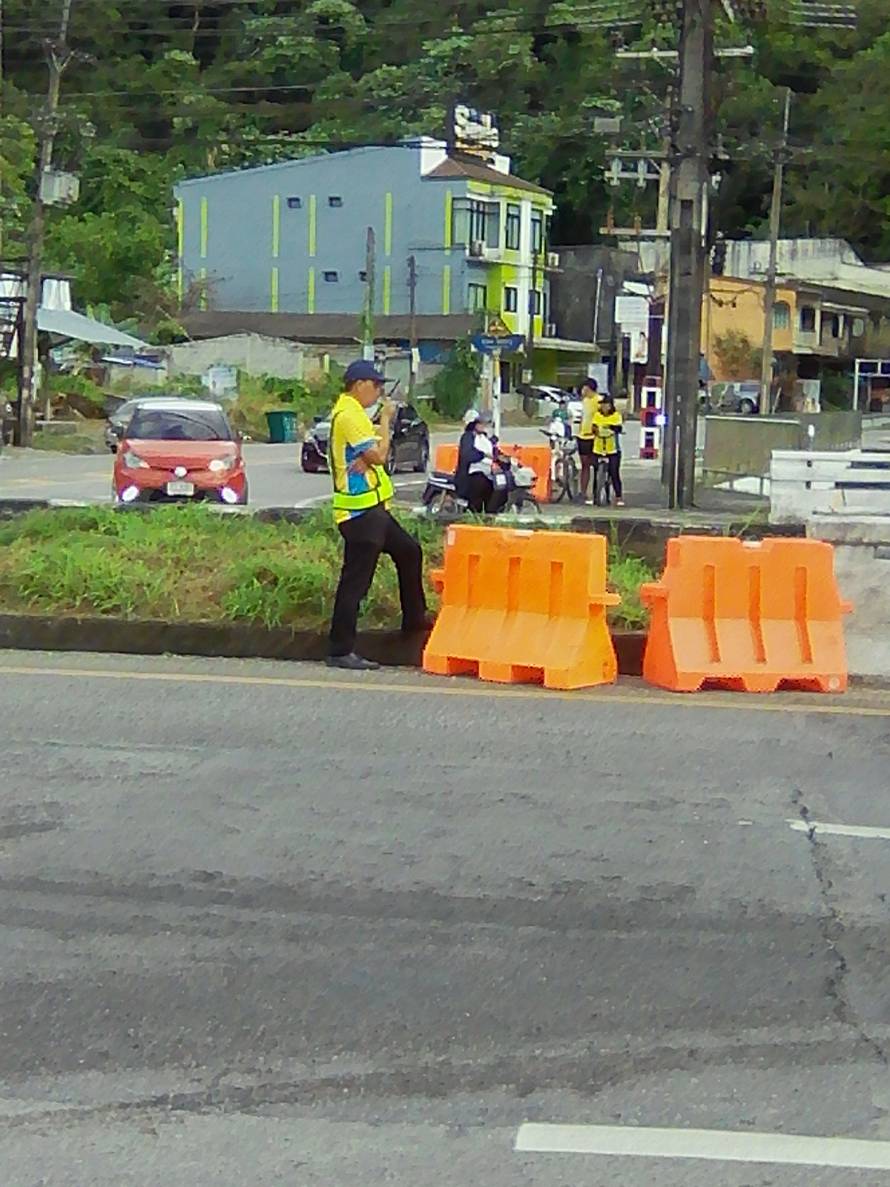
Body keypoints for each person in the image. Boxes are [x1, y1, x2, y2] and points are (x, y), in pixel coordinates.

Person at [327, 360, 428, 671]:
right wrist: (385, 421)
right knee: (355, 583)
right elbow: (380, 456)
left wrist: (370, 453)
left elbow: (371, 453)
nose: (379, 392)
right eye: (376, 385)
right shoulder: (348, 415)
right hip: (358, 514)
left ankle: (415, 621)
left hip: (373, 510)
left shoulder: (355, 413)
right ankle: (340, 649)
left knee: (409, 551)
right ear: (359, 385)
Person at [592, 394, 624, 506]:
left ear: (611, 406)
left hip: (612, 448)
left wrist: (610, 427)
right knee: (596, 472)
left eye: (606, 405)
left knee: (614, 472)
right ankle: (595, 496)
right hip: (598, 447)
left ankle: (618, 496)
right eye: (603, 405)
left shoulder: (616, 416)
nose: (604, 407)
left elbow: (618, 427)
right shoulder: (597, 415)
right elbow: (594, 427)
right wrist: (595, 429)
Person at [575, 378, 601, 502]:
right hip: (583, 436)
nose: (582, 391)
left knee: (595, 465)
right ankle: (583, 492)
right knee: (584, 464)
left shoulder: (599, 400)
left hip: (594, 437)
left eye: (584, 389)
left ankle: (597, 491)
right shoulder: (585, 401)